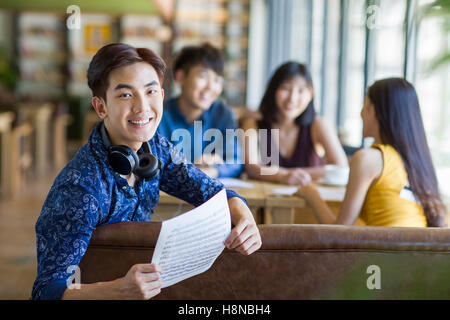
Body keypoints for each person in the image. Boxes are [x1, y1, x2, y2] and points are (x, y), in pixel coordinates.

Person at [31, 43, 261, 300]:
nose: (143, 107)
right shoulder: (79, 186)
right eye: (126, 95)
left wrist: (242, 210)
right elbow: (47, 291)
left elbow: (209, 189)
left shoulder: (155, 149)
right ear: (100, 107)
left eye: (150, 91)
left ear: (161, 96)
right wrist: (118, 290)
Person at [295, 78, 447, 227]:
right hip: (419, 249)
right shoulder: (416, 158)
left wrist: (309, 192)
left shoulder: (366, 156)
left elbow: (340, 231)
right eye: (287, 89)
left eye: (365, 105)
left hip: (387, 250)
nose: (361, 113)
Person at [241, 61, 347, 185]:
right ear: (273, 90)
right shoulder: (253, 125)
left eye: (301, 91)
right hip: (266, 202)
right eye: (286, 88)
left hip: (308, 202)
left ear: (311, 94)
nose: (292, 98)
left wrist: (287, 174)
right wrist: (284, 176)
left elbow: (341, 168)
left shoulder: (318, 125)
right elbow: (251, 167)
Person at [157, 43, 243, 179]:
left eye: (217, 80)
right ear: (180, 77)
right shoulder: (159, 114)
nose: (210, 87)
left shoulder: (223, 115)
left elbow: (235, 161)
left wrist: (213, 170)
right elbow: (154, 163)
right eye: (203, 77)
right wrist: (193, 169)